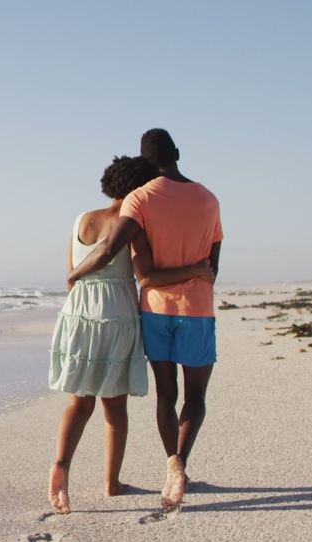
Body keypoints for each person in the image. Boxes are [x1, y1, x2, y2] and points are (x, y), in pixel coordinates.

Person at [67, 129, 223, 510]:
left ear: (147, 164)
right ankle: (180, 463)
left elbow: (109, 249)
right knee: (196, 397)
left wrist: (74, 274)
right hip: (198, 311)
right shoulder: (209, 200)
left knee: (166, 395)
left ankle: (172, 464)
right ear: (179, 153)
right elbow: (212, 269)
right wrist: (196, 269)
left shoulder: (140, 198)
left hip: (155, 311)